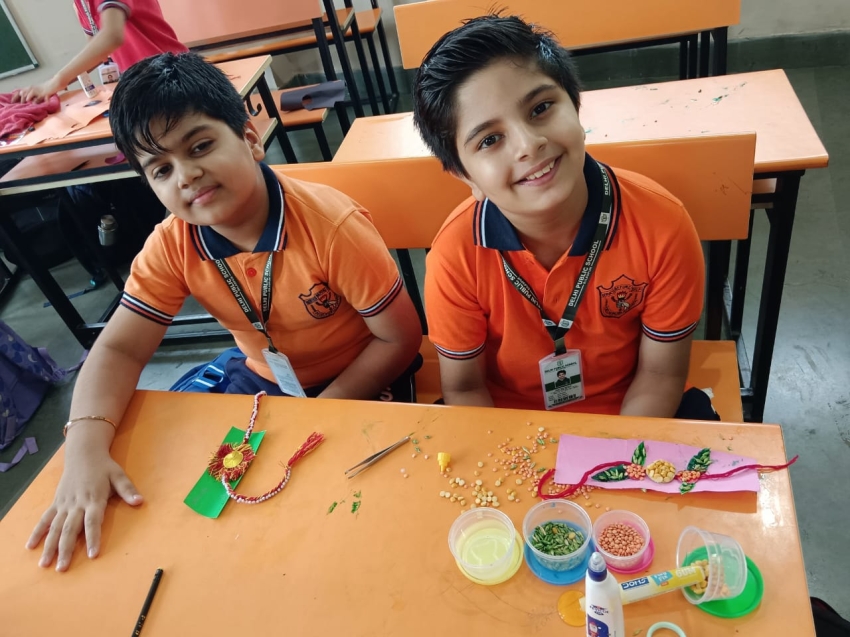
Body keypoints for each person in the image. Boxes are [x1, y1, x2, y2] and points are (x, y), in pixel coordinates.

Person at [26, 53, 422, 572]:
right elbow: (119, 349)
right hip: (262, 379)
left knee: (340, 515)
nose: (187, 175)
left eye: (200, 146)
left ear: (251, 139)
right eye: (161, 169)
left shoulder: (332, 228)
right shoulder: (172, 245)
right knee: (211, 517)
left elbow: (400, 339)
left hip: (359, 377)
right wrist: (83, 448)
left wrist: (321, 410)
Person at [413, 14, 717, 420]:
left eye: (540, 108)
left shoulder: (663, 225)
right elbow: (465, 388)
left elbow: (660, 375)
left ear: (575, 105)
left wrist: (611, 453)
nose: (528, 144)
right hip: (507, 423)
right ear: (465, 175)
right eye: (490, 139)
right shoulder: (455, 254)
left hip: (632, 410)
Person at [13, 0, 187, 103]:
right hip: (143, 82)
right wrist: (52, 85)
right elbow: (97, 50)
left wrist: (56, 81)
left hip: (172, 76)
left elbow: (111, 37)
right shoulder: (80, 3)